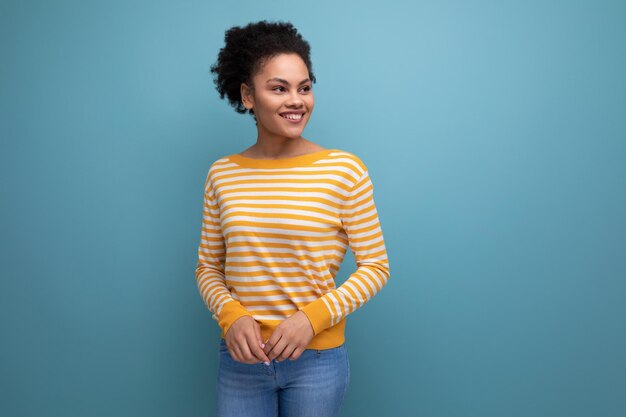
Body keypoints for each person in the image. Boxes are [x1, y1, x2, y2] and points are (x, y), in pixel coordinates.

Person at [195, 20, 391, 417]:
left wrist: (311, 319)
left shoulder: (344, 170)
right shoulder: (222, 174)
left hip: (317, 361)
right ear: (248, 96)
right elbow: (207, 268)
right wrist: (231, 317)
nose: (297, 100)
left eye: (304, 87)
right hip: (241, 361)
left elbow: (376, 267)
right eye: (279, 88)